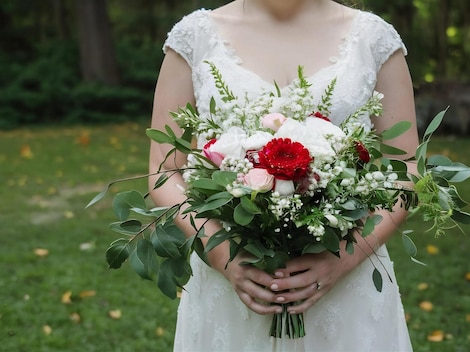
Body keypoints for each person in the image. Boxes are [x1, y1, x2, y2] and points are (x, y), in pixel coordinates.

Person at [149, 0, 418, 350]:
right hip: (233, 284)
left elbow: (408, 169)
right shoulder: (194, 38)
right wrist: (222, 254)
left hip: (346, 280)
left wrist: (344, 256)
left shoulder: (373, 38)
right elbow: (164, 170)